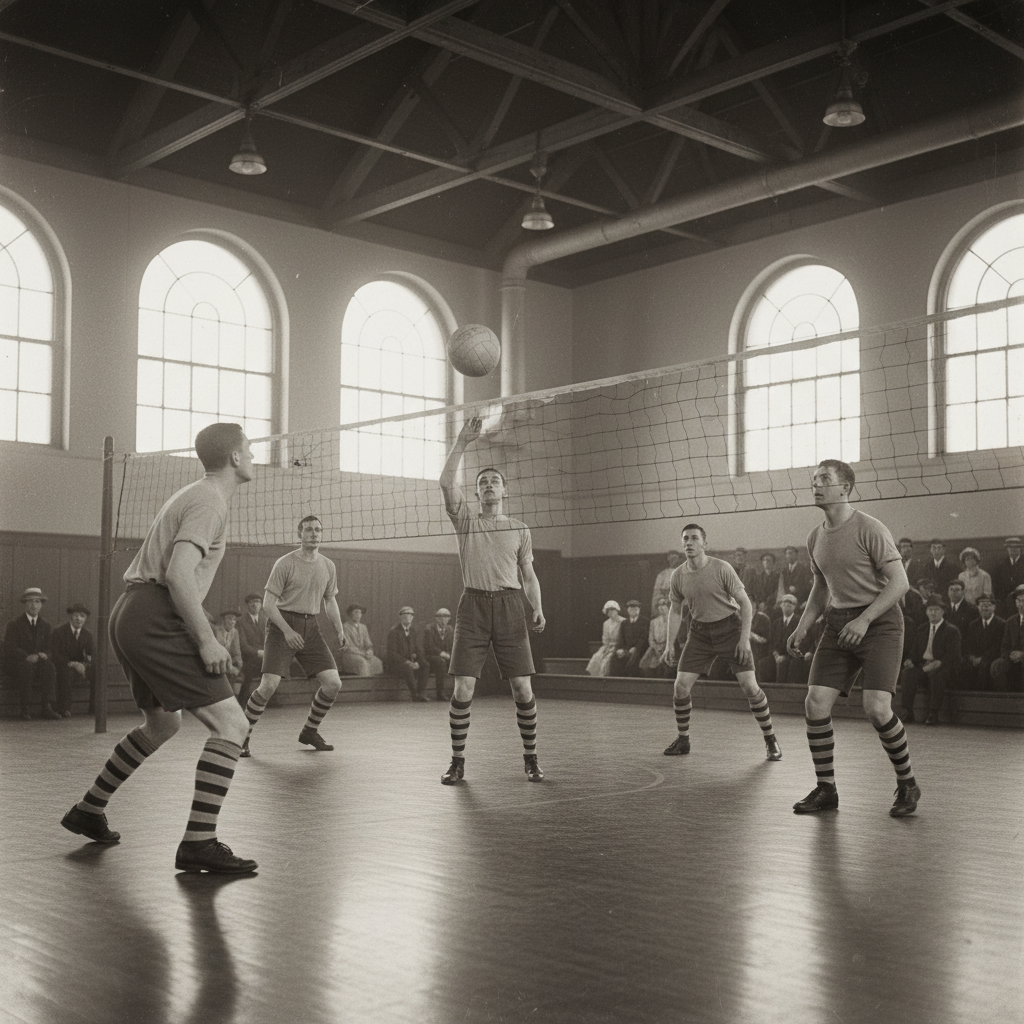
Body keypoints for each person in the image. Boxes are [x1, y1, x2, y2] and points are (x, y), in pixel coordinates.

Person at [60, 423, 257, 873]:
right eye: (249, 449)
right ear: (234, 458)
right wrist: (207, 639)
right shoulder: (210, 500)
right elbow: (179, 575)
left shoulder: (198, 493)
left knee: (162, 725)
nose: (253, 456)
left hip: (131, 612)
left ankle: (89, 809)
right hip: (153, 615)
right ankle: (199, 843)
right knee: (232, 725)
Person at [786, 459, 920, 818]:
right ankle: (826, 789)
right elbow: (819, 587)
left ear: (845, 487)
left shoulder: (870, 528)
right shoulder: (815, 536)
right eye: (813, 479)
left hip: (879, 621)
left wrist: (864, 619)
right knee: (815, 703)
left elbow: (900, 583)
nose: (816, 485)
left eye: (824, 479)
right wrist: (803, 626)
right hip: (839, 622)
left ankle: (907, 782)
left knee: (876, 708)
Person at [438, 415, 546, 785]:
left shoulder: (519, 528)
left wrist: (538, 606)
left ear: (504, 492)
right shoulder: (466, 521)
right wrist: (463, 442)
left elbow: (528, 575)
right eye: (482, 482)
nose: (487, 486)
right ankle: (457, 761)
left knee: (522, 688)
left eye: (494, 482)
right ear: (477, 493)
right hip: (473, 607)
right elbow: (444, 481)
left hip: (510, 606)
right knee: (462, 687)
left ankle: (531, 759)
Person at [661, 523, 782, 762]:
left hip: (730, 629)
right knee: (680, 687)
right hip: (699, 634)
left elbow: (746, 604)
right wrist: (668, 644)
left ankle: (770, 739)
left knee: (750, 687)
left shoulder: (722, 568)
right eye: (685, 538)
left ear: (704, 544)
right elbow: (675, 611)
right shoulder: (678, 575)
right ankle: (683, 739)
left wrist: (744, 640)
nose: (689, 543)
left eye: (695, 538)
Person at [242, 514, 347, 755]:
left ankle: (309, 731)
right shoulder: (285, 563)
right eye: (308, 530)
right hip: (282, 625)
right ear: (300, 534)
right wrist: (287, 631)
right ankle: (241, 737)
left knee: (333, 683)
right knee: (269, 685)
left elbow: (330, 600)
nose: (314, 534)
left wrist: (340, 629)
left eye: (318, 530)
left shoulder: (328, 565)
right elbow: (268, 604)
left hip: (311, 627)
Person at [900, 595, 961, 725]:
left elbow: (953, 655)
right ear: (926, 612)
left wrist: (938, 663)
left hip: (942, 667)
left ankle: (933, 713)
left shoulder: (951, 630)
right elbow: (915, 651)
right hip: (923, 666)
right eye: (930, 610)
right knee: (907, 673)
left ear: (943, 611)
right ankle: (907, 711)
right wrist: (909, 660)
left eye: (936, 609)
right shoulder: (922, 628)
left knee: (936, 675)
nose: (933, 613)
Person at [3, 587, 60, 720]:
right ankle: (25, 708)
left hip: (38, 663)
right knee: (26, 667)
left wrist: (44, 655)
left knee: (49, 666)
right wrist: (26, 656)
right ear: (25, 604)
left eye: (37, 601)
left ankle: (46, 707)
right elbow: (10, 647)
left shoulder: (45, 625)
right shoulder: (14, 624)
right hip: (18, 663)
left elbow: (50, 648)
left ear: (41, 605)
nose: (34, 605)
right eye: (30, 602)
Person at [51, 602, 95, 717]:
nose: (78, 619)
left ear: (85, 619)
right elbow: (55, 654)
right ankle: (64, 708)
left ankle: (95, 708)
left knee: (98, 672)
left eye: (82, 616)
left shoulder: (87, 635)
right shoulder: (59, 632)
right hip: (64, 666)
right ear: (70, 616)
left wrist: (85, 665)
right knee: (66, 673)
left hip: (81, 667)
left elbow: (91, 654)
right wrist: (73, 664)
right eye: (76, 615)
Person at [387, 606, 430, 700]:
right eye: (404, 615)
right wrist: (408, 662)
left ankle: (421, 692)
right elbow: (392, 653)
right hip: (397, 663)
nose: (407, 617)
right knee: (407, 667)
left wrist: (418, 661)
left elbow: (418, 649)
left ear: (412, 618)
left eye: (410, 615)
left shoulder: (413, 631)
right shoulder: (394, 631)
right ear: (400, 617)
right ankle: (414, 694)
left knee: (425, 664)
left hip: (411, 661)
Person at [963, 594, 1004, 691]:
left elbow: (998, 646)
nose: (984, 608)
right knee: (965, 665)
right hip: (976, 658)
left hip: (992, 657)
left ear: (994, 607)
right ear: (977, 607)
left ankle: (981, 701)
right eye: (982, 605)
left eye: (988, 605)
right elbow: (969, 644)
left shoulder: (1001, 624)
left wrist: (982, 658)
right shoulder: (973, 624)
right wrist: (972, 656)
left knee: (984, 666)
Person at [235, 593, 267, 709]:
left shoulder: (265, 619)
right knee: (248, 674)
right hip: (248, 657)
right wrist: (258, 652)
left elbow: (270, 639)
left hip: (265, 655)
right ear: (247, 605)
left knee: (273, 671)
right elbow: (243, 645)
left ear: (261, 605)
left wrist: (267, 652)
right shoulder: (240, 621)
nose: (255, 605)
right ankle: (242, 703)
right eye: (252, 602)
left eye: (258, 602)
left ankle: (266, 701)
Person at [760, 593, 800, 683]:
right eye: (784, 602)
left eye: (790, 602)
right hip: (777, 656)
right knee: (763, 664)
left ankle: (780, 694)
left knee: (783, 665)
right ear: (781, 605)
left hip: (792, 656)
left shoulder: (799, 622)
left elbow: (800, 643)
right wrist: (776, 655)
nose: (786, 604)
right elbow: (772, 643)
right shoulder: (776, 623)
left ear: (794, 606)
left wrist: (785, 656)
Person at [991, 584, 1024, 692]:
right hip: (1013, 659)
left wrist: (1022, 655)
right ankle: (1006, 699)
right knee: (997, 665)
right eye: (1019, 601)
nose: (1021, 604)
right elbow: (1004, 646)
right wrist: (1010, 655)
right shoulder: (1011, 621)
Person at [339, 604, 384, 676]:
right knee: (362, 663)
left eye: (359, 613)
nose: (358, 615)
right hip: (350, 654)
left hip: (364, 654)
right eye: (355, 612)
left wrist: (370, 651)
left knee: (377, 662)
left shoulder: (363, 627)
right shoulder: (345, 627)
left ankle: (374, 685)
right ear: (350, 614)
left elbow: (368, 643)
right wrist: (363, 654)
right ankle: (364, 684)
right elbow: (348, 646)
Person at [422, 607, 455, 700]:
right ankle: (440, 693)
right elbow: (429, 647)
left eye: (446, 617)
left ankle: (459, 693)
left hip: (445, 657)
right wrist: (442, 653)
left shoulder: (450, 629)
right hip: (430, 657)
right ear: (436, 618)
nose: (444, 619)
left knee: (460, 662)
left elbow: (452, 645)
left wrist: (451, 655)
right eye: (441, 617)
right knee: (441, 662)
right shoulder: (429, 629)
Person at [585, 600, 621, 676]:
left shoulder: (623, 621)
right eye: (608, 611)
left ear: (617, 610)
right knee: (597, 657)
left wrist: (614, 646)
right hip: (607, 646)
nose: (611, 612)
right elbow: (605, 638)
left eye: (612, 610)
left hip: (618, 646)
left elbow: (623, 638)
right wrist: (607, 647)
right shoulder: (606, 623)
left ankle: (604, 678)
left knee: (607, 661)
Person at [613, 600, 648, 676]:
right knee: (614, 658)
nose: (633, 611)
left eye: (635, 609)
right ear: (627, 610)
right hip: (626, 648)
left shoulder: (645, 622)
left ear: (639, 610)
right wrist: (620, 649)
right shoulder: (624, 623)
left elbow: (644, 639)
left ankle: (629, 682)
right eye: (631, 609)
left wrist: (636, 648)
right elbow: (621, 638)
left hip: (640, 649)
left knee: (633, 659)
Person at [639, 597, 673, 677]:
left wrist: (665, 647)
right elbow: (651, 639)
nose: (661, 607)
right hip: (654, 648)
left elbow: (673, 638)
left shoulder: (673, 620)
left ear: (668, 606)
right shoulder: (653, 622)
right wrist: (656, 648)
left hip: (668, 647)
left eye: (663, 604)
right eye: (659, 605)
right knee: (645, 664)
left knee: (666, 666)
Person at [992, 537, 1024, 616]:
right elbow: (996, 584)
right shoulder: (1001, 564)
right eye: (1010, 547)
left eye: (1016, 547)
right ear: (1007, 549)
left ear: (1020, 548)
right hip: (1005, 603)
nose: (1013, 549)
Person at [213, 610, 243, 687]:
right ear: (224, 620)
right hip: (216, 662)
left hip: (228, 664)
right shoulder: (216, 630)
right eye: (229, 619)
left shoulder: (235, 632)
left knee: (232, 677)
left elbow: (237, 652)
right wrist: (228, 666)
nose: (232, 622)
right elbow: (214, 652)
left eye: (234, 619)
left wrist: (237, 668)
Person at [650, 550, 681, 616]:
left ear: (678, 559)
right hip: (666, 603)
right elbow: (656, 593)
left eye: (675, 558)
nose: (673, 561)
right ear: (668, 560)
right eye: (671, 559)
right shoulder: (662, 575)